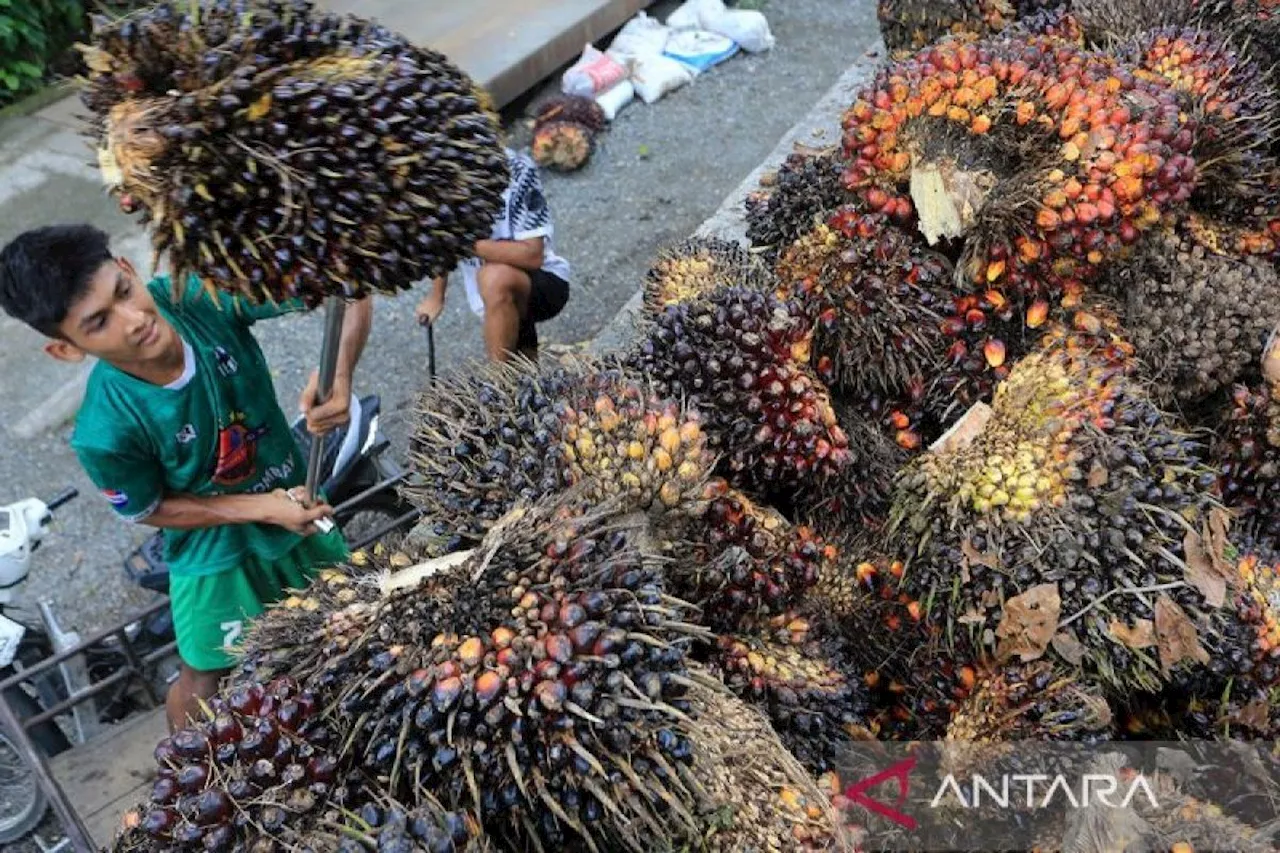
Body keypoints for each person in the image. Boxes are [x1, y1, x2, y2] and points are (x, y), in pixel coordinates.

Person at [0, 224, 373, 731]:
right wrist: (260, 507)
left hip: (302, 509)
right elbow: (146, 508)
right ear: (66, 348)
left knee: (355, 617)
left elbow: (346, 289)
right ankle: (183, 781)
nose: (133, 321)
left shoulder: (201, 296)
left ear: (129, 268)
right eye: (99, 322)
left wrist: (342, 374)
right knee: (205, 679)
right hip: (211, 555)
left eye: (124, 292)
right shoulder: (102, 431)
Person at [416, 147, 571, 362]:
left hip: (543, 281)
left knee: (494, 277)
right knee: (524, 367)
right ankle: (527, 373)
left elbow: (532, 256)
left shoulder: (516, 168)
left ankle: (498, 383)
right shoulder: (442, 177)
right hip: (491, 297)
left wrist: (464, 244)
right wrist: (436, 296)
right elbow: (441, 236)